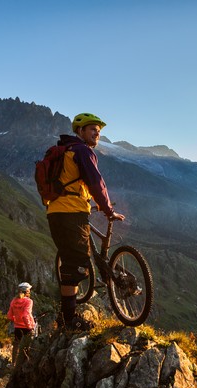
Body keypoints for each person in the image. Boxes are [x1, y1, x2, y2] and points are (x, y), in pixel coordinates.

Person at [46, 113, 124, 331]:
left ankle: (66, 317)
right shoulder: (82, 151)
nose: (96, 134)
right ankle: (68, 320)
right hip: (72, 212)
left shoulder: (64, 151)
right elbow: (96, 183)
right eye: (92, 129)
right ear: (79, 131)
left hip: (55, 211)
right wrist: (108, 210)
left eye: (98, 131)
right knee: (77, 264)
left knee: (71, 260)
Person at [6, 282, 36, 363]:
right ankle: (27, 363)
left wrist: (16, 320)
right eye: (29, 290)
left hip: (17, 327)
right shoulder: (29, 301)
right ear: (27, 291)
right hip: (27, 327)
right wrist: (29, 327)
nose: (30, 291)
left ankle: (13, 364)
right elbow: (25, 315)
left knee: (16, 345)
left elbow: (9, 315)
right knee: (29, 346)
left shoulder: (14, 301)